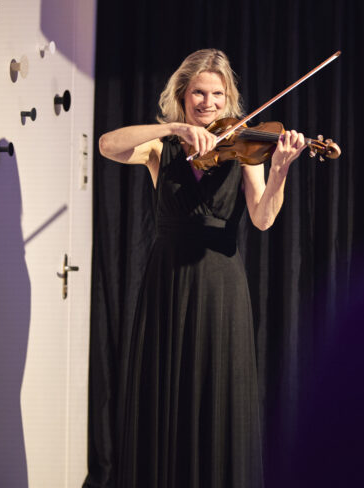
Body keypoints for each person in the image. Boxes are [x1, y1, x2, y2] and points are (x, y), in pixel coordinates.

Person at [99, 48, 307, 488]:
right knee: (165, 392)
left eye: (217, 94)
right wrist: (172, 128)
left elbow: (263, 218)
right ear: (183, 94)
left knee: (216, 394)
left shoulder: (244, 147)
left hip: (220, 285)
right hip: (168, 282)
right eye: (198, 92)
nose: (208, 102)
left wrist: (279, 171)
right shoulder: (161, 147)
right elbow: (107, 145)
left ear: (228, 98)